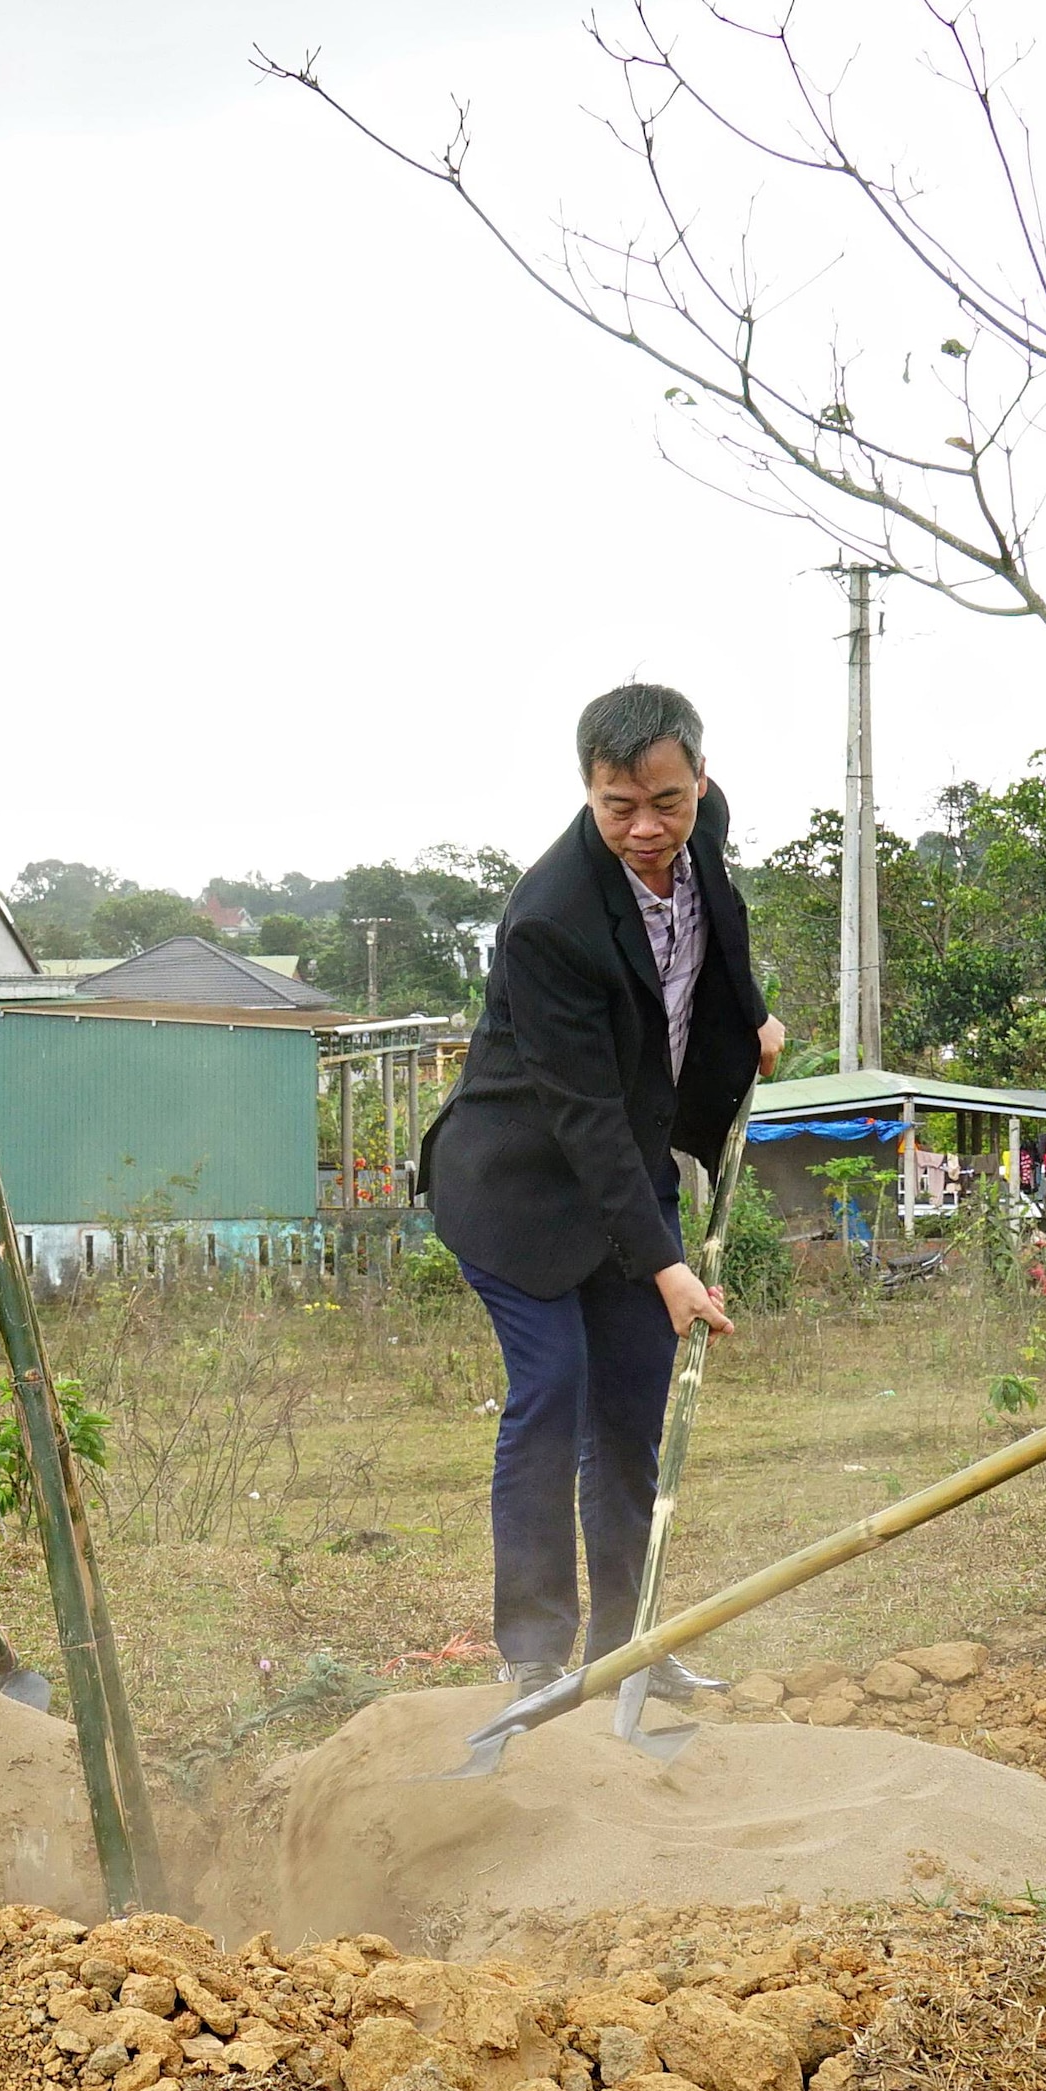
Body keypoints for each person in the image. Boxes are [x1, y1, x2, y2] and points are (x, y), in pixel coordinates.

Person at [418, 683, 783, 1690]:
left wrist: (751, 1016)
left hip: (626, 1165)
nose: (643, 827)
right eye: (616, 805)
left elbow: (724, 922)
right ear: (586, 789)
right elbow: (581, 1116)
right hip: (517, 1187)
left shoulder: (697, 827)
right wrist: (666, 1268)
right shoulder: (547, 919)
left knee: (630, 1408)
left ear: (697, 781)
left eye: (663, 801)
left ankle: (632, 1651)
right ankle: (533, 1660)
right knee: (554, 1389)